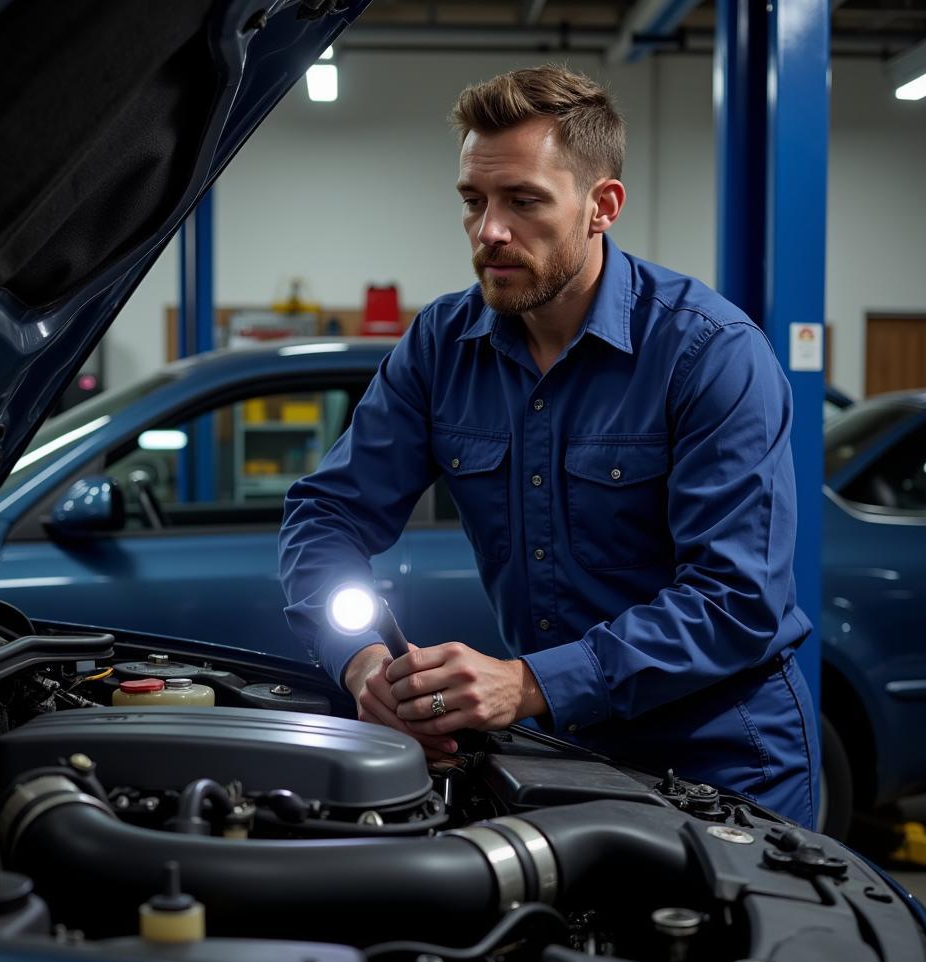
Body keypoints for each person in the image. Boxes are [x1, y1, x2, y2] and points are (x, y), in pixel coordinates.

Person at [279, 65, 819, 827]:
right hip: (555, 753)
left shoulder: (709, 353)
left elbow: (737, 601)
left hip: (722, 763)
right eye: (474, 201)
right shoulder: (442, 346)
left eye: (523, 201)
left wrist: (526, 684)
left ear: (602, 206)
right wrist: (365, 663)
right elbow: (325, 516)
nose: (489, 231)